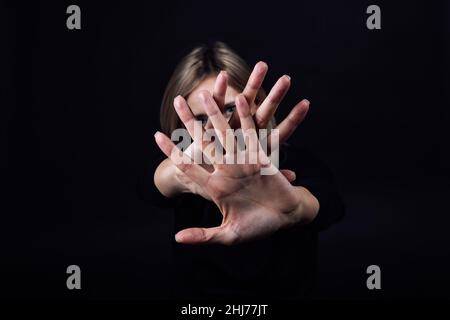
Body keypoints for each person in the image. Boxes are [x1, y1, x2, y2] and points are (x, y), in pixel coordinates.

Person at [144, 41, 344, 299]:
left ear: (256, 104)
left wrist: (296, 208)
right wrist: (181, 172)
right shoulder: (188, 176)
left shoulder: (297, 163)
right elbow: (149, 185)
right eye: (201, 119)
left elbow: (329, 203)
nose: (219, 127)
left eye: (229, 109)